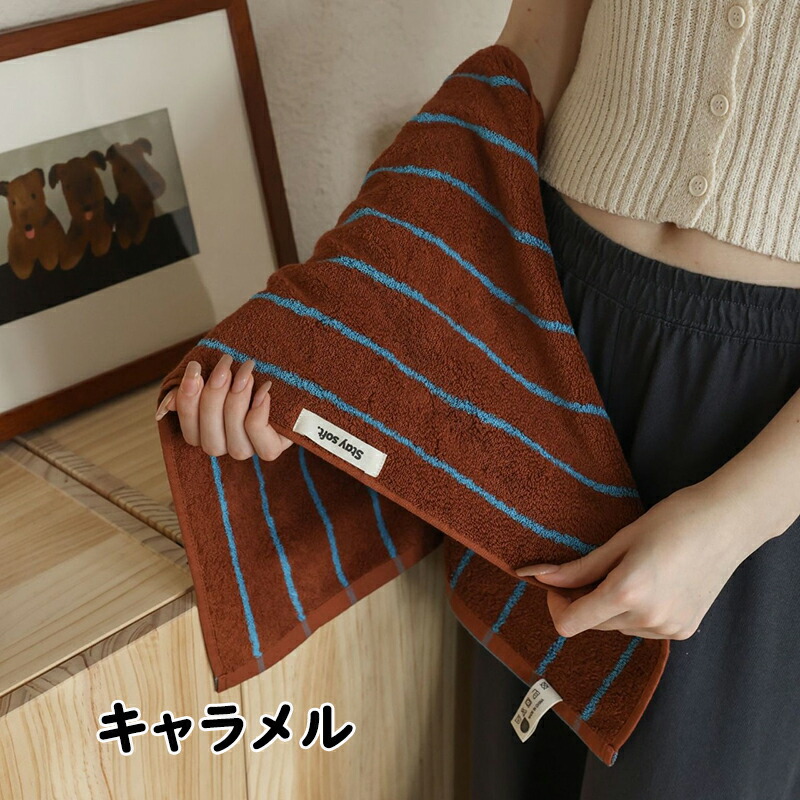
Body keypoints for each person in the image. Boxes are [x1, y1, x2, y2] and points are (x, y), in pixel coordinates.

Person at [154, 3, 800, 798]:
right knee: (516, 771)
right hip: (536, 336)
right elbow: (520, 65)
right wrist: (324, 359)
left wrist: (734, 520)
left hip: (765, 430)